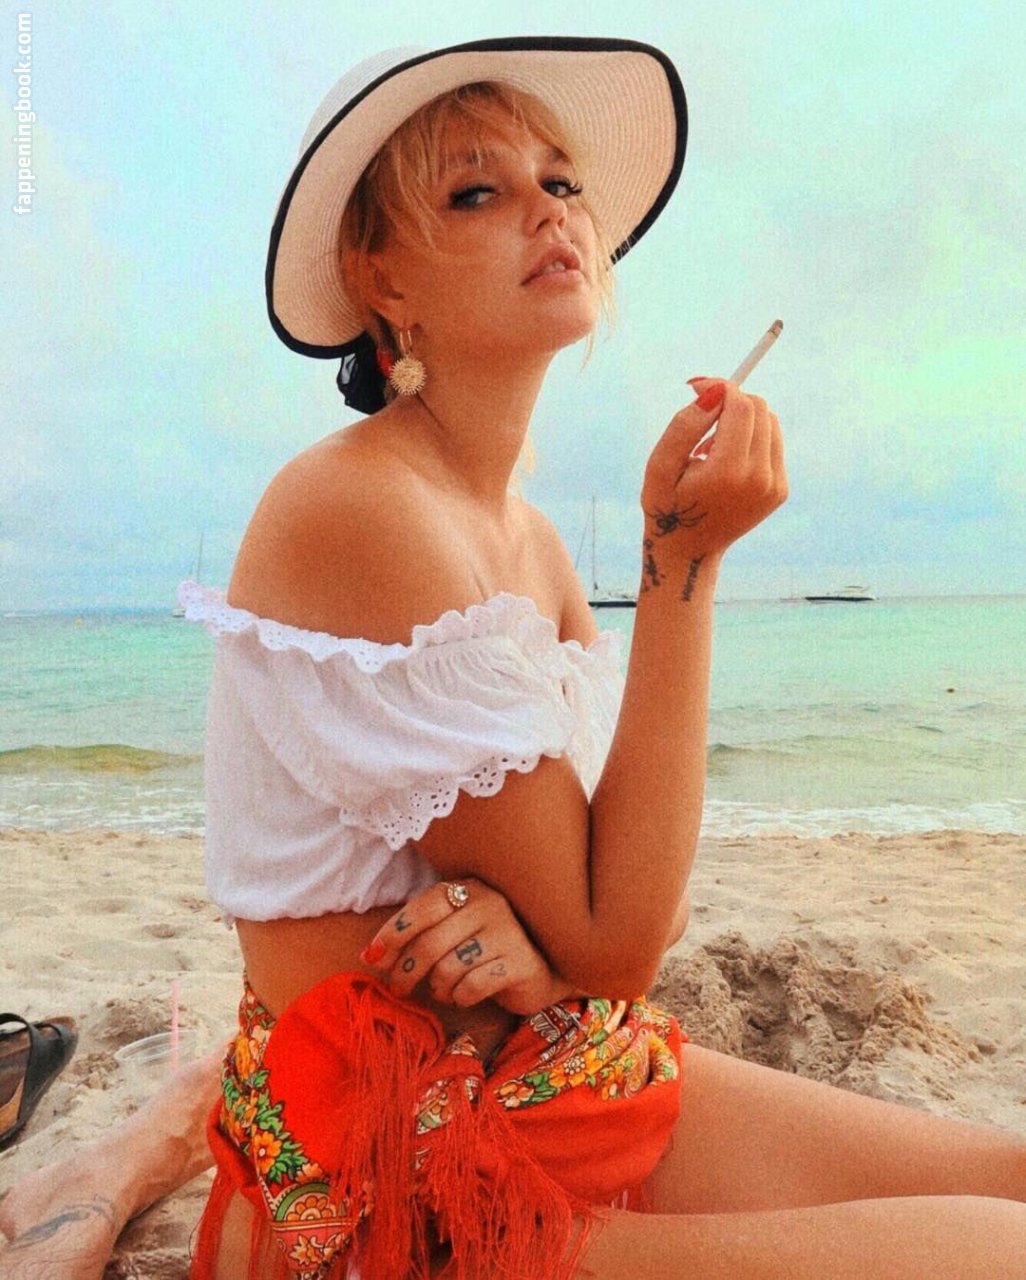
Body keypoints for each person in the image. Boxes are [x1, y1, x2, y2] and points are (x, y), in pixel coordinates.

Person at [3, 35, 1025, 1280]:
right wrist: (681, 562)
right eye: (478, 191)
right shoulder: (358, 508)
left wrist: (549, 949)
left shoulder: (528, 540)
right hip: (408, 1183)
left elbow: (641, 899)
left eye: (562, 180)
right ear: (379, 277)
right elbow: (623, 938)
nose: (549, 209)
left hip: (557, 1078)